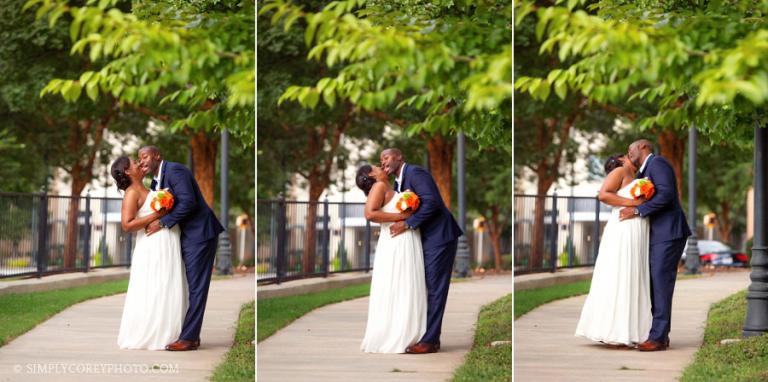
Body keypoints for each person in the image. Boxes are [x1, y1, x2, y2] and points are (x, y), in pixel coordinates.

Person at [138, 146, 225, 351]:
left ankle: (189, 338)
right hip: (185, 236)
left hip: (199, 235)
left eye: (144, 157)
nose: (141, 162)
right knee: (187, 286)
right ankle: (190, 335)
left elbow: (188, 202)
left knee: (196, 288)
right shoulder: (155, 181)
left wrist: (161, 223)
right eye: (139, 159)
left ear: (157, 155)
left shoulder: (175, 171)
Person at [379, 148, 463, 354]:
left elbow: (432, 202)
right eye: (381, 160)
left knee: (435, 289)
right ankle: (426, 336)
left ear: (400, 157)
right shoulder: (398, 182)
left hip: (439, 238)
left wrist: (408, 224)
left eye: (387, 157)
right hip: (425, 240)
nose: (383, 163)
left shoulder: (415, 173)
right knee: (422, 287)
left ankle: (430, 341)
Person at [619, 139, 691, 351]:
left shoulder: (657, 163)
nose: (628, 151)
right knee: (653, 284)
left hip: (668, 233)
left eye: (631, 148)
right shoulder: (643, 172)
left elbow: (667, 195)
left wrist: (638, 210)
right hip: (657, 234)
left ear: (643, 147)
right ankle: (659, 335)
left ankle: (658, 338)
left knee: (661, 285)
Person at [575, 154, 651, 348]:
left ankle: (631, 330)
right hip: (624, 228)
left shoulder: (638, 175)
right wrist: (635, 204)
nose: (630, 156)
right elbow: (604, 194)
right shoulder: (621, 171)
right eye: (626, 154)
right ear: (620, 160)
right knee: (621, 274)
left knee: (633, 276)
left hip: (637, 228)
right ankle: (614, 331)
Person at [113, 156, 188, 350]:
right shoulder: (131, 193)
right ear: (128, 171)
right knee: (154, 287)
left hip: (168, 242)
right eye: (134, 163)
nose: (139, 164)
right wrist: (157, 214)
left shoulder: (150, 188)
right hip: (152, 245)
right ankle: (152, 334)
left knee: (168, 286)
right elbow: (127, 225)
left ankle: (171, 333)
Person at [357, 164, 427, 353]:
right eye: (377, 166)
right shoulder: (379, 186)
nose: (382, 167)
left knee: (407, 284)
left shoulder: (391, 188)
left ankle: (409, 333)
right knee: (400, 284)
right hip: (397, 240)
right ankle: (396, 335)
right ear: (372, 175)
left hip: (406, 238)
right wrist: (400, 217)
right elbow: (370, 213)